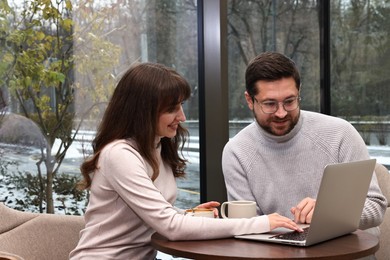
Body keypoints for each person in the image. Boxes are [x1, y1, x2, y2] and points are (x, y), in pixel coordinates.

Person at [69, 62, 302, 260]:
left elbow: (157, 215)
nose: (182, 117)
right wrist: (262, 223)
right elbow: (169, 226)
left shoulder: (157, 147)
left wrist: (186, 214)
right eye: (172, 109)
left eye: (180, 106)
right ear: (143, 111)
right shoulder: (119, 155)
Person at [222, 52, 387, 232]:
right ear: (249, 100)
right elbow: (247, 226)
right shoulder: (237, 151)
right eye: (269, 104)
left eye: (289, 101)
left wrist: (330, 213)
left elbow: (375, 207)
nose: (281, 113)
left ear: (299, 93)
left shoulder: (340, 133)